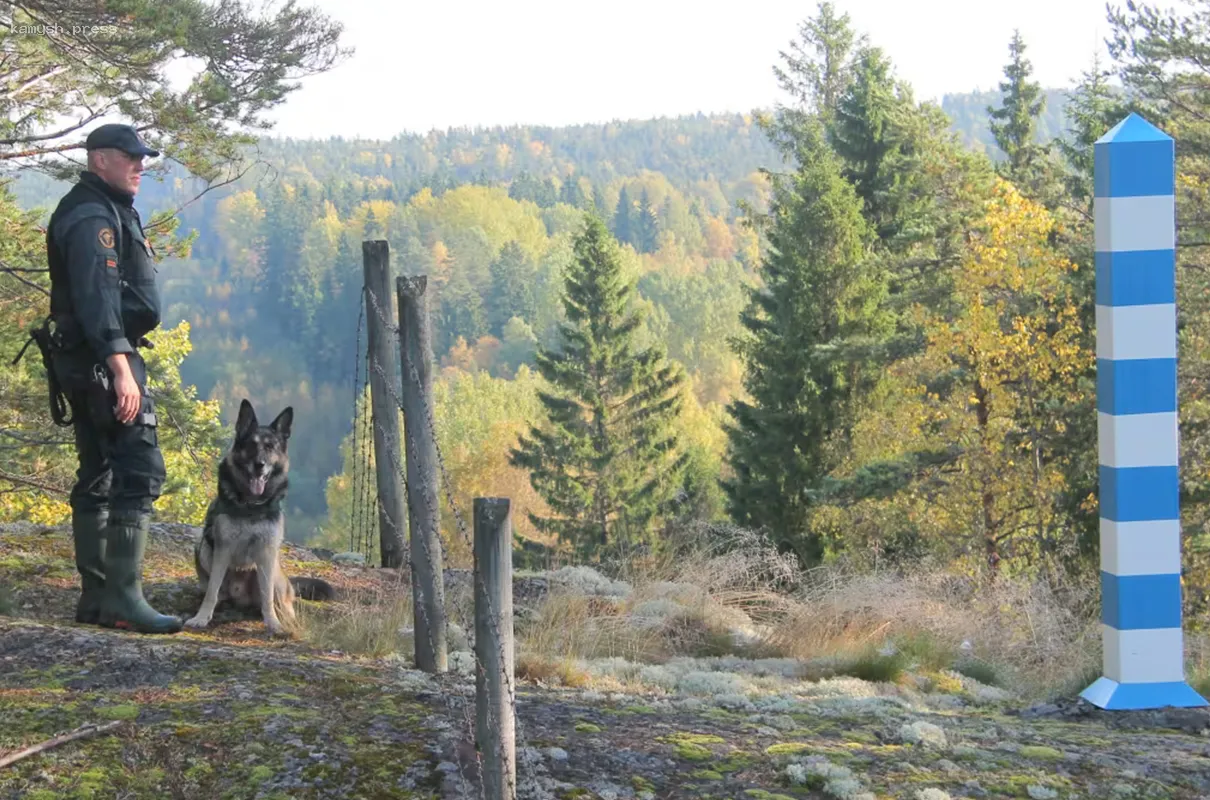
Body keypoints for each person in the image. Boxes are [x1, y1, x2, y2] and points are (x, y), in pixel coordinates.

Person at [44, 123, 182, 634]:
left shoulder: (102, 206)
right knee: (140, 466)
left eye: (142, 158)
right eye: (131, 157)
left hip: (89, 357)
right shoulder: (90, 215)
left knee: (99, 468)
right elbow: (97, 296)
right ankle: (122, 598)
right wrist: (120, 366)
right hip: (103, 358)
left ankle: (99, 598)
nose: (140, 165)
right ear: (100, 159)